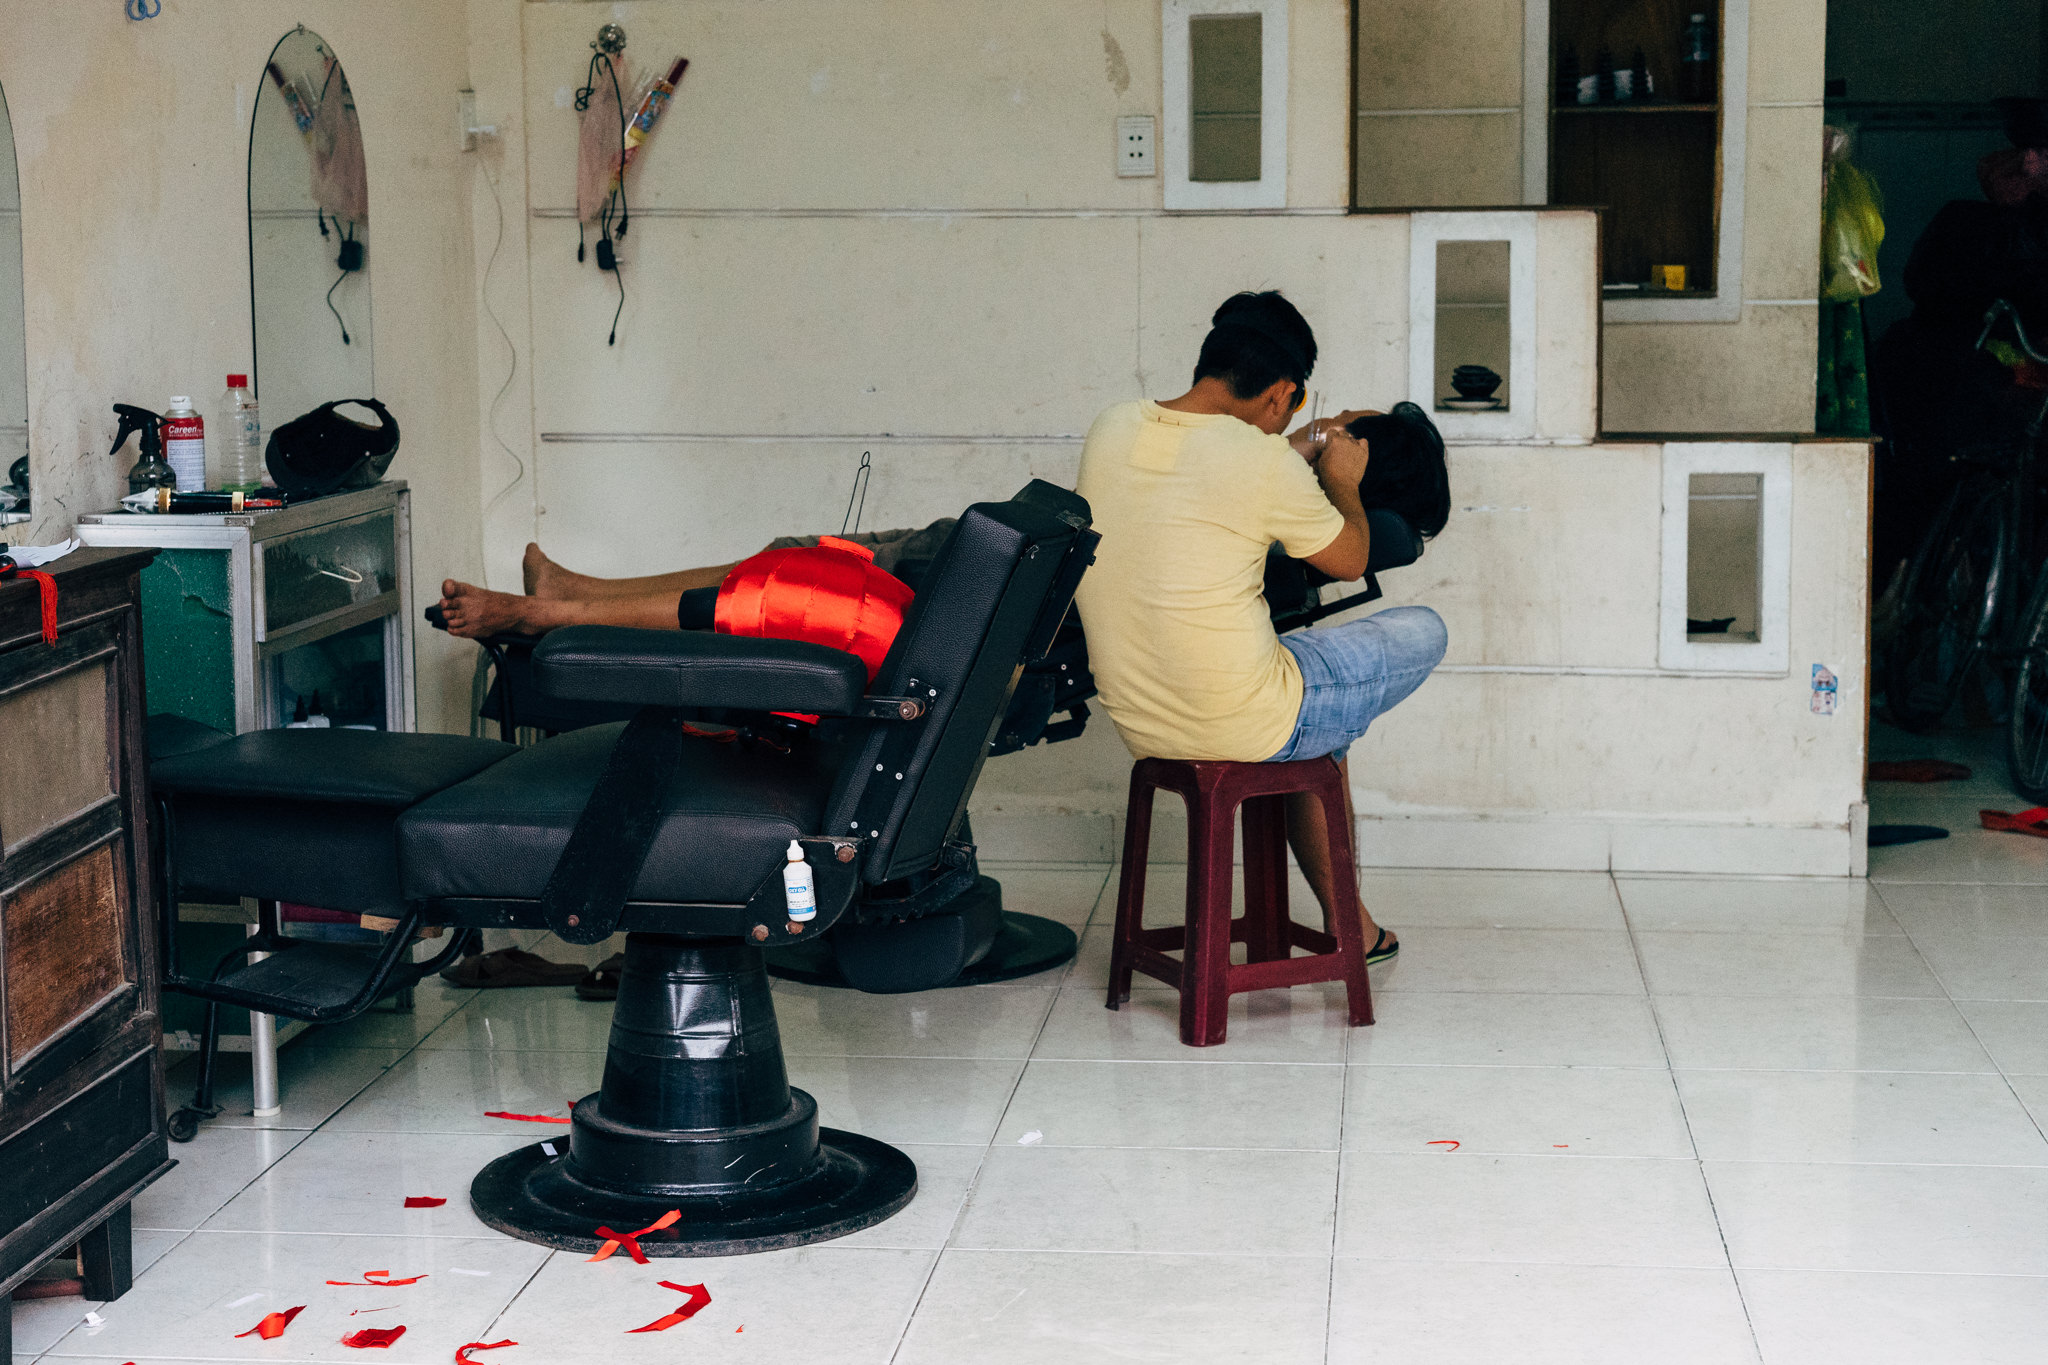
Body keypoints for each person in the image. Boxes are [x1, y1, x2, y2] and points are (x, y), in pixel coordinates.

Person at [1074, 291, 1448, 964]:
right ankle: (1352, 925)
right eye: (1295, 406)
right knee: (1424, 629)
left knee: (1309, 687)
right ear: (1280, 392)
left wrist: (1300, 443)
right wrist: (1343, 479)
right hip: (1246, 723)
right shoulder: (1265, 465)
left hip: (1142, 724)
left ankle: (1355, 923)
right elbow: (1350, 557)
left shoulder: (1114, 425)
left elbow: (1208, 469)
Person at [435, 522, 953, 639]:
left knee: (778, 587)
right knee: (787, 554)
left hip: (926, 610)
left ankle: (542, 614)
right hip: (946, 549)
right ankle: (577, 591)